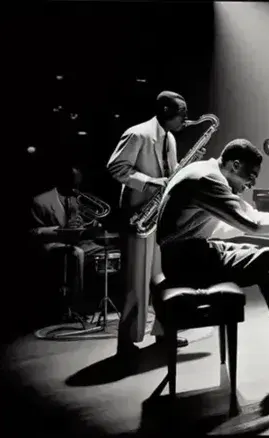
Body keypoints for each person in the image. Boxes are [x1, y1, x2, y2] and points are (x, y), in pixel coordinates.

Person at [156, 139, 269, 364]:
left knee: (263, 252)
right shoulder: (207, 179)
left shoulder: (204, 171)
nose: (252, 182)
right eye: (252, 174)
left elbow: (235, 221)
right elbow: (252, 223)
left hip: (191, 252)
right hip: (186, 262)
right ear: (235, 165)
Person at [106, 90, 187, 357]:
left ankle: (164, 333)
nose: (186, 118)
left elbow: (169, 173)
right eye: (181, 112)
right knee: (136, 282)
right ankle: (126, 342)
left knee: (163, 278)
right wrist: (152, 182)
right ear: (165, 111)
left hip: (160, 215)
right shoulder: (137, 133)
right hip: (139, 215)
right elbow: (116, 168)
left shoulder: (171, 138)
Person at [30, 165, 105, 314]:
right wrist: (62, 228)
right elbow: (33, 232)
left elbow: (82, 228)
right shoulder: (40, 201)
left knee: (104, 253)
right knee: (76, 253)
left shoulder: (76, 199)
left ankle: (97, 302)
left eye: (78, 184)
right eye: (73, 184)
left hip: (75, 242)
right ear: (62, 181)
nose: (76, 188)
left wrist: (91, 224)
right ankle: (76, 306)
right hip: (51, 243)